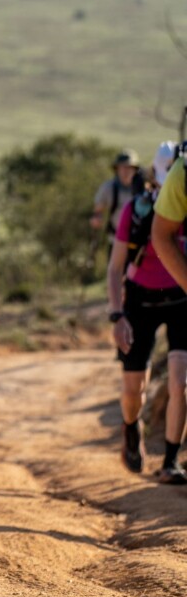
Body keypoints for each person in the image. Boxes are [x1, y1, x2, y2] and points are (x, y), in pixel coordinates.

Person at [139, 139, 187, 481]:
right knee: (176, 378)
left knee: (179, 377)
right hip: (156, 298)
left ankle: (171, 459)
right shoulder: (138, 208)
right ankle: (168, 457)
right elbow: (160, 235)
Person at [90, 150, 144, 251]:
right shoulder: (108, 188)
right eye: (122, 168)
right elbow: (97, 211)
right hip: (115, 240)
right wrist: (97, 218)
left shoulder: (144, 189)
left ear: (135, 170)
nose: (125, 171)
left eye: (129, 168)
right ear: (117, 169)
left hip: (138, 241)